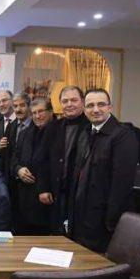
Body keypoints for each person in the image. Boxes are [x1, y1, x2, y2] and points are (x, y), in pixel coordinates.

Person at [69, 89, 138, 252]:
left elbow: (122, 184)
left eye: (101, 104)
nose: (95, 109)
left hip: (105, 220)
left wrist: (110, 221)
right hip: (82, 216)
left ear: (109, 107)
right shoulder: (85, 132)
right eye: (90, 105)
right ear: (84, 109)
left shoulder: (123, 135)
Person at [37, 86, 89, 234]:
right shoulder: (52, 127)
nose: (69, 104)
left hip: (80, 194)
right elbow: (42, 159)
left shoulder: (90, 127)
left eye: (74, 100)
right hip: (55, 193)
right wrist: (43, 188)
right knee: (56, 234)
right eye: (65, 101)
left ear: (82, 102)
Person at [11, 98, 54, 235]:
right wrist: (18, 170)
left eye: (41, 111)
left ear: (51, 112)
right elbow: (14, 158)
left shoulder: (58, 131)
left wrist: (45, 188)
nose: (37, 116)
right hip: (24, 199)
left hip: (47, 199)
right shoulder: (25, 133)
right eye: (34, 113)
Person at [0, 90, 20, 182]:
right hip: (1, 173)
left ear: (12, 101)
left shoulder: (21, 119)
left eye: (4, 100)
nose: (1, 104)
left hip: (18, 173)